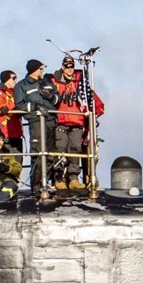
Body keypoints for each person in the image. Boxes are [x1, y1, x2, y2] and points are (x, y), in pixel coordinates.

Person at [49, 55, 105, 191]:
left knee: (75, 150)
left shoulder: (80, 83)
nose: (69, 69)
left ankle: (73, 178)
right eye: (67, 67)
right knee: (60, 150)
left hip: (77, 122)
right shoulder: (54, 83)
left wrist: (93, 113)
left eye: (71, 67)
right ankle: (59, 178)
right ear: (63, 67)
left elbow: (93, 101)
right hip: (61, 122)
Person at [14, 59, 58, 190]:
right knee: (38, 153)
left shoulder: (46, 82)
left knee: (51, 154)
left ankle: (48, 181)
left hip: (50, 120)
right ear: (34, 70)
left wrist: (50, 96)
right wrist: (35, 106)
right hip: (36, 122)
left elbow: (57, 98)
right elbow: (19, 106)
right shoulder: (21, 86)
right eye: (40, 69)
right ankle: (37, 185)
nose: (42, 71)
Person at [0, 69, 24, 154]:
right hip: (4, 135)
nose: (16, 80)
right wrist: (18, 104)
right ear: (6, 80)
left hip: (17, 134)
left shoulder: (17, 94)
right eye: (13, 78)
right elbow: (1, 108)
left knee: (17, 164)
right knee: (4, 164)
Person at [0, 132, 22, 200]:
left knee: (7, 190)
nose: (1, 142)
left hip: (7, 180)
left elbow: (18, 169)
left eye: (2, 140)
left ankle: (0, 201)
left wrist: (7, 168)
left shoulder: (7, 153)